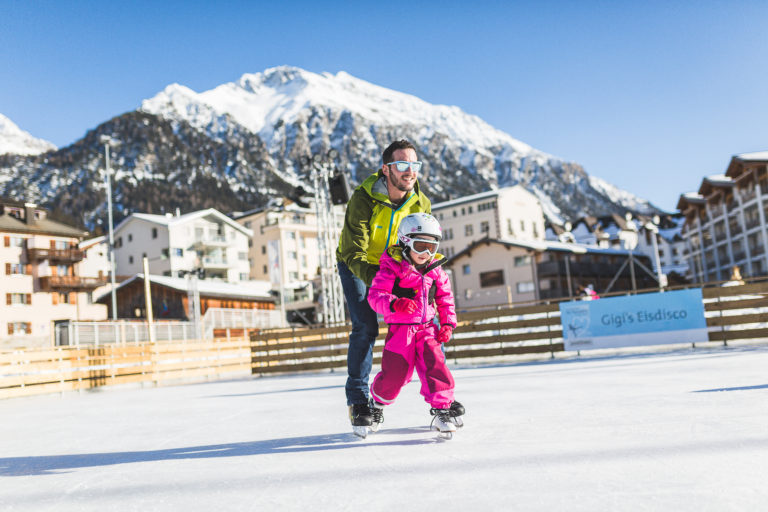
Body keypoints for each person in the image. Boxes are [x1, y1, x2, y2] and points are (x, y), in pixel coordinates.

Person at [336, 139, 432, 430]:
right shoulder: (363, 198)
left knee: (412, 324)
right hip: (356, 263)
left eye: (414, 165)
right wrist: (380, 284)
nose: (409, 171)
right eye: (402, 165)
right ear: (386, 169)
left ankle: (434, 398)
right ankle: (358, 399)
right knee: (366, 326)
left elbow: (423, 245)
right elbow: (355, 251)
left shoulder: (421, 203)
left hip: (395, 266)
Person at [366, 213, 464, 437]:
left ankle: (442, 409)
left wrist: (448, 323)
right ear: (405, 242)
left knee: (436, 366)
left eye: (432, 247)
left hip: (428, 329)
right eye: (421, 246)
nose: (426, 254)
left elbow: (445, 299)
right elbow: (376, 296)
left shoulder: (436, 270)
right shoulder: (391, 268)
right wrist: (395, 303)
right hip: (400, 332)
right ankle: (377, 404)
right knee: (395, 376)